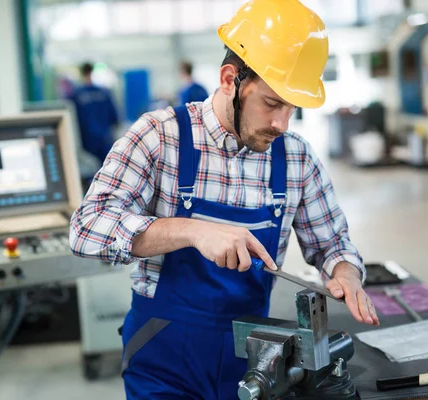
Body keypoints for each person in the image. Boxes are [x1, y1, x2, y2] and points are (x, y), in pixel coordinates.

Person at [69, 1, 380, 398]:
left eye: (292, 108)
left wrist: (345, 274)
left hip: (254, 361)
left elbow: (332, 244)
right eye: (271, 103)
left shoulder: (296, 157)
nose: (281, 124)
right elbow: (86, 228)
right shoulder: (160, 137)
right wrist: (192, 231)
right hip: (163, 359)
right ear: (230, 79)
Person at [66, 62, 119, 164]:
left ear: (81, 73)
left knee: (91, 170)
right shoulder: (104, 93)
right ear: (92, 72)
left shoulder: (76, 95)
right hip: (105, 139)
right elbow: (114, 118)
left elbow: (72, 120)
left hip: (87, 140)